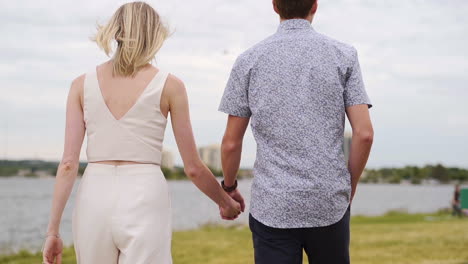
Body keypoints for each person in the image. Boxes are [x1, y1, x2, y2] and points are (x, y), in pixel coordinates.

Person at [41, 2, 241, 264]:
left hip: (94, 193)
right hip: (145, 193)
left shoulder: (80, 85)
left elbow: (68, 164)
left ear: (115, 31)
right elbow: (193, 167)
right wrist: (225, 200)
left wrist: (53, 232)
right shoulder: (171, 86)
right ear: (155, 35)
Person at [218, 0, 374, 263]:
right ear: (314, 6)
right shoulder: (343, 55)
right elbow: (364, 134)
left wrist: (229, 186)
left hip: (273, 203)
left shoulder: (249, 60)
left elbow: (231, 143)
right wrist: (350, 184)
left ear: (275, 7)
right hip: (328, 199)